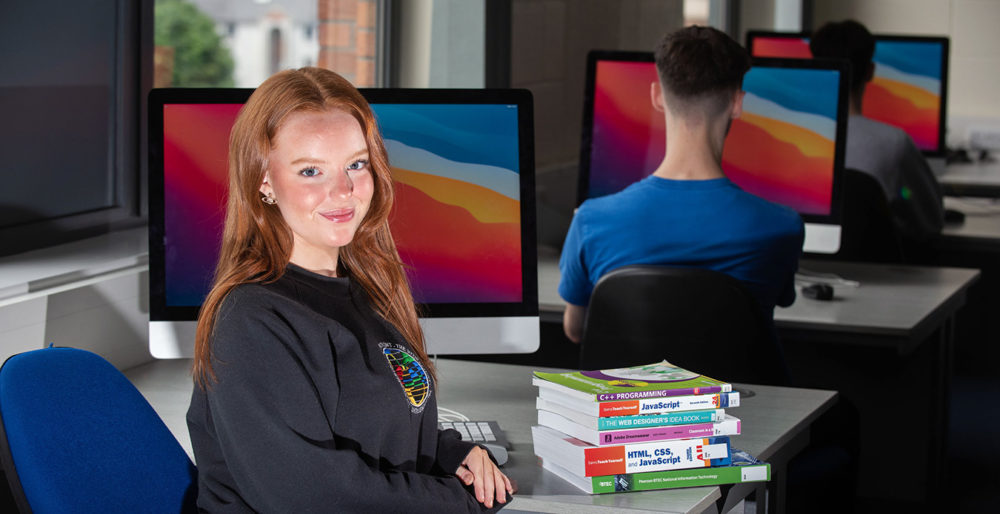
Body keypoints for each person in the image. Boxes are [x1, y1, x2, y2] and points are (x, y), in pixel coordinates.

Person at [186, 67, 513, 512]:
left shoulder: (362, 287)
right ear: (263, 180)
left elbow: (376, 424)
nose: (343, 191)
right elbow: (312, 496)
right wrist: (459, 503)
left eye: (355, 164)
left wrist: (450, 453)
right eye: (310, 171)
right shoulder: (251, 321)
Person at [559, 26, 803, 345]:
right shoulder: (781, 227)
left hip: (635, 395)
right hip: (736, 395)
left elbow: (576, 330)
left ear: (657, 96)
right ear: (737, 103)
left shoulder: (591, 221)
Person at [810, 19, 945, 241]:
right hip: (874, 269)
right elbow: (931, 221)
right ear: (870, 71)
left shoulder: (796, 141)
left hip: (801, 267)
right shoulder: (894, 143)